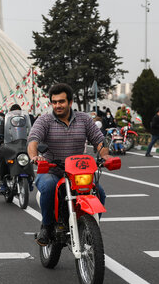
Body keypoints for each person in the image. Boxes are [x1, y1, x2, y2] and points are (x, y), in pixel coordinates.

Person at [27, 83, 111, 245]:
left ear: (70, 102)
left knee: (99, 192)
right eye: (54, 102)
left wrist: (105, 156)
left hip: (78, 172)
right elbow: (33, 139)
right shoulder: (44, 120)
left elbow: (98, 140)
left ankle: (89, 229)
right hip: (51, 169)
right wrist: (35, 156)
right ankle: (47, 225)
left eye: (62, 101)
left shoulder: (84, 119)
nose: (58, 105)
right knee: (49, 187)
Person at [0, 104, 22, 192]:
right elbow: (0, 133)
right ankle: (4, 182)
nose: (16, 115)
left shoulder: (24, 121)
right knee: (4, 160)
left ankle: (29, 178)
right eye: (14, 113)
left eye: (18, 113)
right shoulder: (5, 122)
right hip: (8, 146)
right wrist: (1, 140)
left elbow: (30, 131)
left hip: (22, 145)